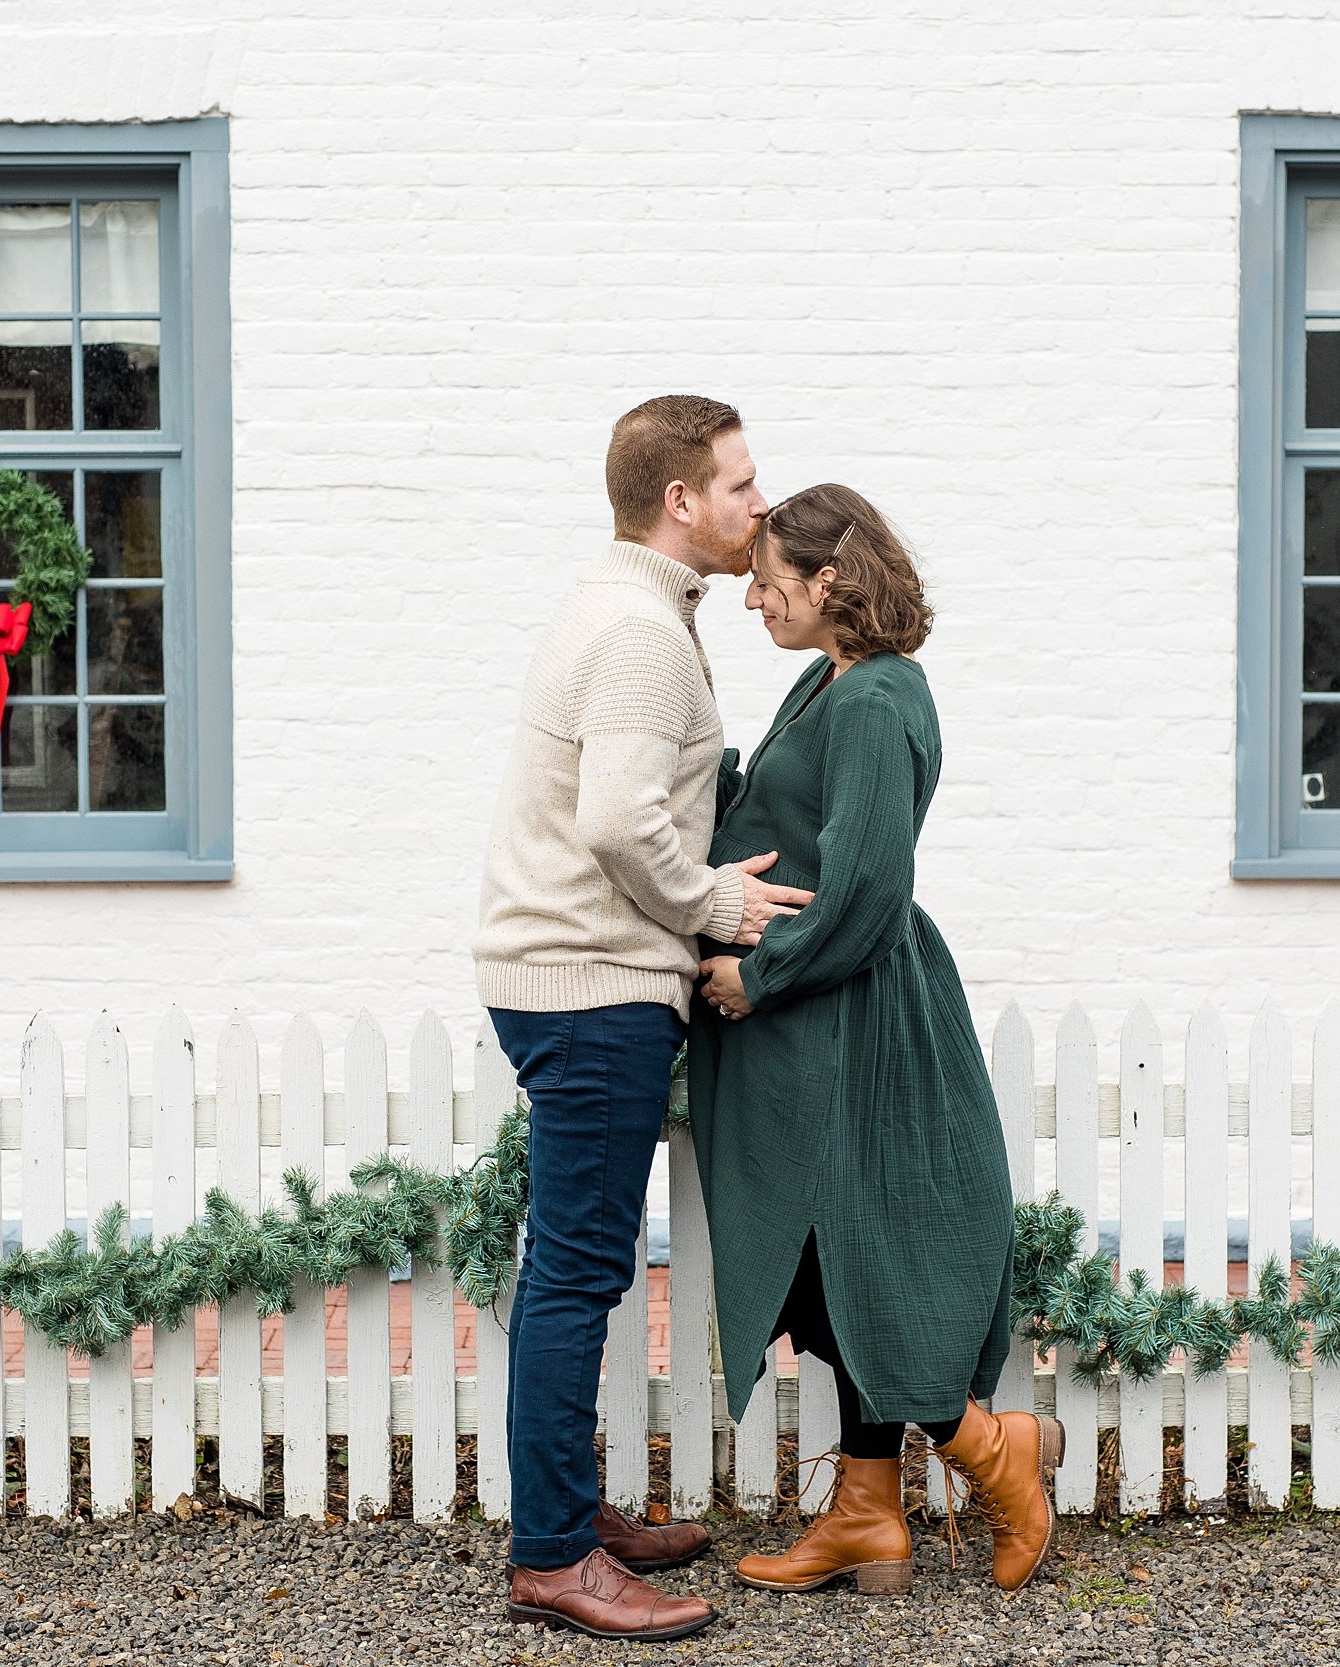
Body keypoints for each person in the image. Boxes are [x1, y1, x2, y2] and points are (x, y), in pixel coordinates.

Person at [474, 394, 813, 1642]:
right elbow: (621, 819)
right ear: (680, 499)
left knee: (575, 1267)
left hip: (573, 977)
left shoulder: (627, 609)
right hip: (594, 984)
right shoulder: (636, 633)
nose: (758, 503)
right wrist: (713, 900)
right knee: (576, 1274)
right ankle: (555, 1556)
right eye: (739, 483)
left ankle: (567, 1513)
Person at [691, 484, 1061, 1597]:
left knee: (855, 1255)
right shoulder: (829, 679)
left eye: (768, 578)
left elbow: (864, 888)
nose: (751, 596)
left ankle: (998, 1453)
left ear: (830, 581)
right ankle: (864, 1513)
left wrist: (759, 973)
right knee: (817, 1260)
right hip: (821, 1012)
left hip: (851, 1013)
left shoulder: (876, 701)